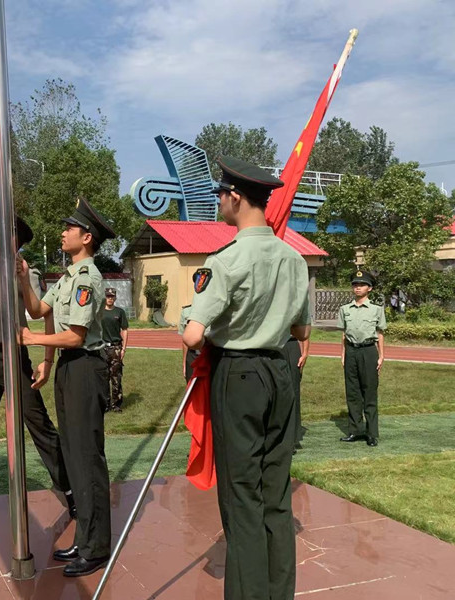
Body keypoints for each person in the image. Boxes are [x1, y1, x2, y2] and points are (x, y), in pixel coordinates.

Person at [182, 156, 311, 600]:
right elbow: (302, 330)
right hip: (280, 371)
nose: (218, 201)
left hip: (239, 375)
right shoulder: (294, 259)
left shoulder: (226, 259)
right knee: (275, 492)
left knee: (241, 497)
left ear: (235, 197)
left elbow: (194, 335)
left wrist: (193, 322)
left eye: (220, 194)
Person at [0, 215, 73, 523]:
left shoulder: (26, 271)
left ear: (16, 241)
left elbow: (43, 312)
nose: (1, 239)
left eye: (9, 236)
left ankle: (70, 491)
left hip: (14, 357)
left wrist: (47, 360)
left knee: (38, 424)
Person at [17, 196, 115, 578]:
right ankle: (86, 537)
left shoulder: (87, 278)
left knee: (87, 458)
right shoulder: (67, 278)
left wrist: (32, 340)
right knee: (74, 457)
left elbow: (75, 336)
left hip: (85, 368)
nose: (63, 232)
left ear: (86, 237)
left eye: (69, 228)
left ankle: (96, 548)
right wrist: (24, 279)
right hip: (70, 370)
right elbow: (38, 311)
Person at [336, 269, 386, 447]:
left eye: (362, 285)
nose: (358, 287)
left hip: (368, 351)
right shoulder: (345, 309)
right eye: (355, 285)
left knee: (369, 392)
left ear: (369, 288)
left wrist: (381, 356)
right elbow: (344, 334)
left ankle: (371, 433)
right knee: (353, 393)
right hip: (351, 351)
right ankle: (355, 431)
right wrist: (343, 354)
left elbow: (380, 333)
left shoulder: (376, 310)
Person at [101, 287, 128, 412]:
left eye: (112, 296)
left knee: (116, 377)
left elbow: (125, 330)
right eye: (108, 296)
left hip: (116, 348)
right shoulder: (99, 312)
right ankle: (105, 404)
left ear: (115, 298)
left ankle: (116, 404)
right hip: (102, 348)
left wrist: (123, 349)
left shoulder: (119, 312)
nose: (110, 298)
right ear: (105, 297)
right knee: (103, 377)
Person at [282, 336, 310, 452]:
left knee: (293, 392)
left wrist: (305, 353)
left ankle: (293, 438)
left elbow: (304, 331)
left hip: (291, 345)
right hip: (274, 345)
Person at [177, 304, 199, 382]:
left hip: (210, 355)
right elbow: (185, 341)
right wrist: (184, 363)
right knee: (191, 385)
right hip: (192, 355)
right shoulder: (186, 311)